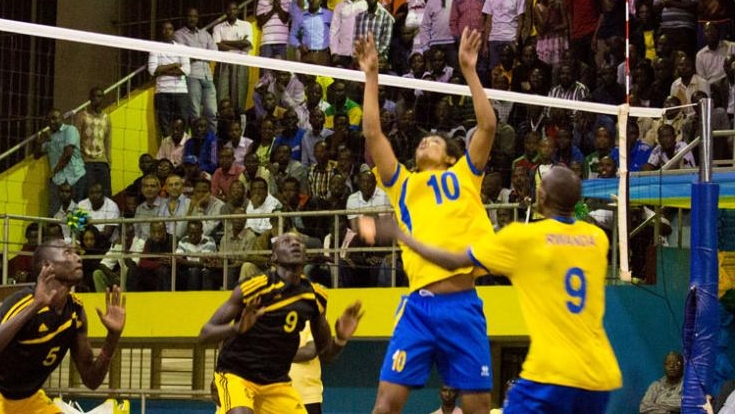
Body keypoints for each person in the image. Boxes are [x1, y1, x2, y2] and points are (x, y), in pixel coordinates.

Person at [396, 166, 622, 413]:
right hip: (599, 375)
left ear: (542, 196)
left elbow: (452, 262)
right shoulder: (597, 239)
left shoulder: (523, 238)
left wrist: (405, 238)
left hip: (551, 373)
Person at [357, 26, 496, 414]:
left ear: (450, 156)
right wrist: (371, 76)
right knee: (386, 404)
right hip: (419, 307)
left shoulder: (465, 173)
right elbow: (373, 133)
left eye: (434, 140)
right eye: (421, 141)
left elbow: (487, 126)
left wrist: (469, 70)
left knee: (478, 405)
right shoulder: (403, 183)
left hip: (463, 303)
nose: (424, 142)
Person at [198, 233, 363, 414]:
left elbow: (325, 355)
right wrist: (237, 328)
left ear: (306, 255)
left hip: (275, 382)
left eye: (299, 242)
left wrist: (340, 339)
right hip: (237, 374)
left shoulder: (315, 297)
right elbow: (205, 334)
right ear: (274, 256)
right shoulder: (254, 287)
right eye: (286, 241)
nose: (295, 244)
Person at [0, 239, 126, 413]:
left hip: (26, 398)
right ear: (47, 266)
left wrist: (112, 337)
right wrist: (36, 305)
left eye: (76, 252)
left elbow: (91, 381)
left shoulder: (75, 311)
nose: (78, 258)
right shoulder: (22, 301)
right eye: (68, 252)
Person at [35, 108, 87, 216]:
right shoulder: (49, 137)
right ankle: (56, 227)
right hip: (58, 180)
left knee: (77, 214)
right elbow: (36, 155)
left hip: (75, 177)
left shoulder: (70, 130)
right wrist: (40, 142)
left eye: (54, 118)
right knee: (54, 213)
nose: (51, 121)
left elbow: (68, 153)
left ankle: (73, 228)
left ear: (61, 119)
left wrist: (55, 170)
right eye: (49, 119)